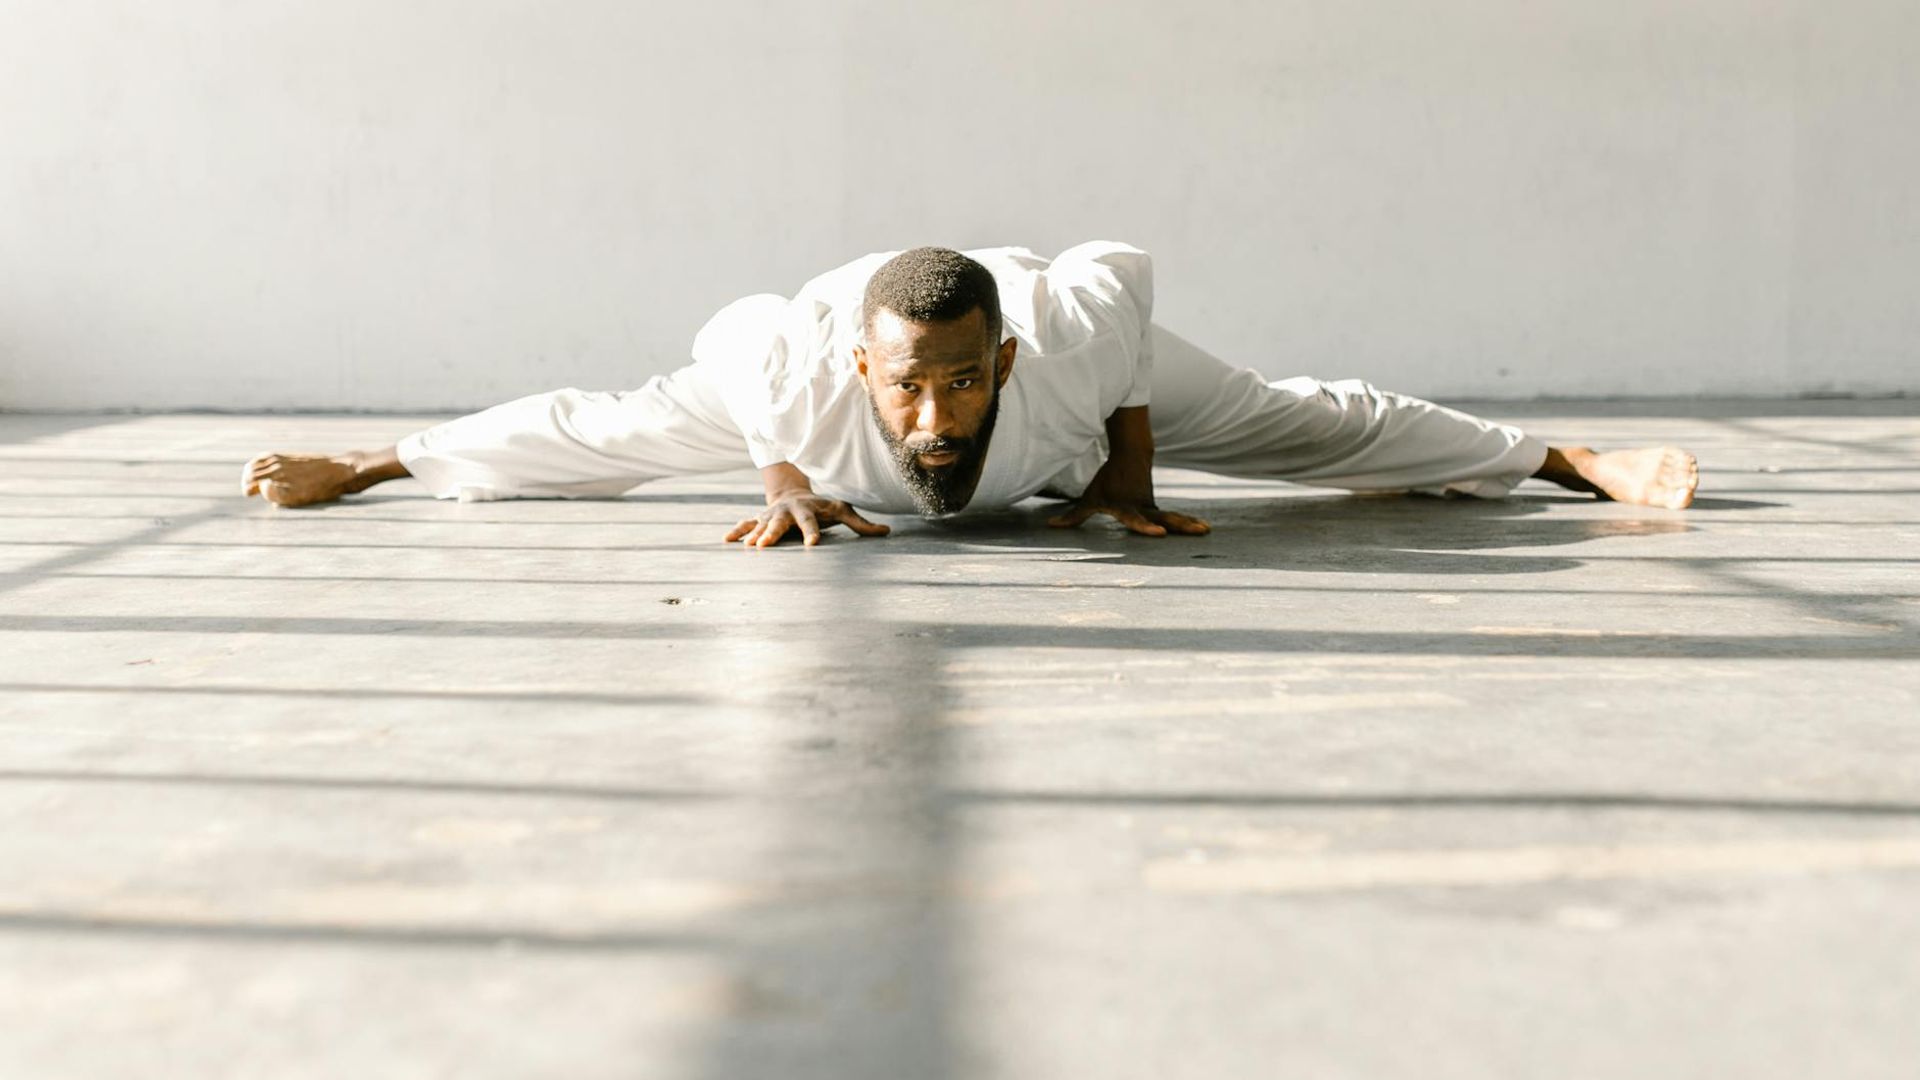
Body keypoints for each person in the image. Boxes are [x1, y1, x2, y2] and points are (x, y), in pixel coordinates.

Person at [241, 242, 1698, 545]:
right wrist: (794, 494)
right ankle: (382, 460)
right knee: (613, 431)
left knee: (1298, 424)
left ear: (998, 363)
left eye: (956, 389)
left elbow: (1128, 338)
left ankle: (1560, 457)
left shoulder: (1067, 334)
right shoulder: (792, 371)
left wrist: (1125, 486)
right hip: (793, 392)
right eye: (905, 395)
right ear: (863, 370)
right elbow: (693, 414)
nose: (930, 421)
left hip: (1082, 383)